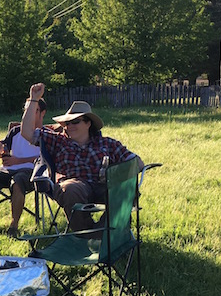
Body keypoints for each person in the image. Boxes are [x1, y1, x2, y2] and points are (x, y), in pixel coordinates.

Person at [20, 83, 143, 233]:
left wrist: (120, 175)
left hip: (102, 184)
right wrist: (33, 100)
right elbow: (27, 132)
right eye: (67, 123)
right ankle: (85, 236)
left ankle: (104, 233)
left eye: (75, 121)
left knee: (127, 189)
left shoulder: (107, 143)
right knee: (71, 189)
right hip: (74, 184)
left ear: (88, 123)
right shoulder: (58, 141)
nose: (69, 126)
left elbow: (136, 162)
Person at [0, 99, 47, 237]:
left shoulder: (46, 134)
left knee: (17, 181)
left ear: (42, 113)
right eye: (26, 110)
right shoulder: (16, 131)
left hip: (31, 171)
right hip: (7, 170)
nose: (28, 113)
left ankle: (13, 226)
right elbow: (2, 147)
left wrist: (18, 160)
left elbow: (46, 159)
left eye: (33, 110)